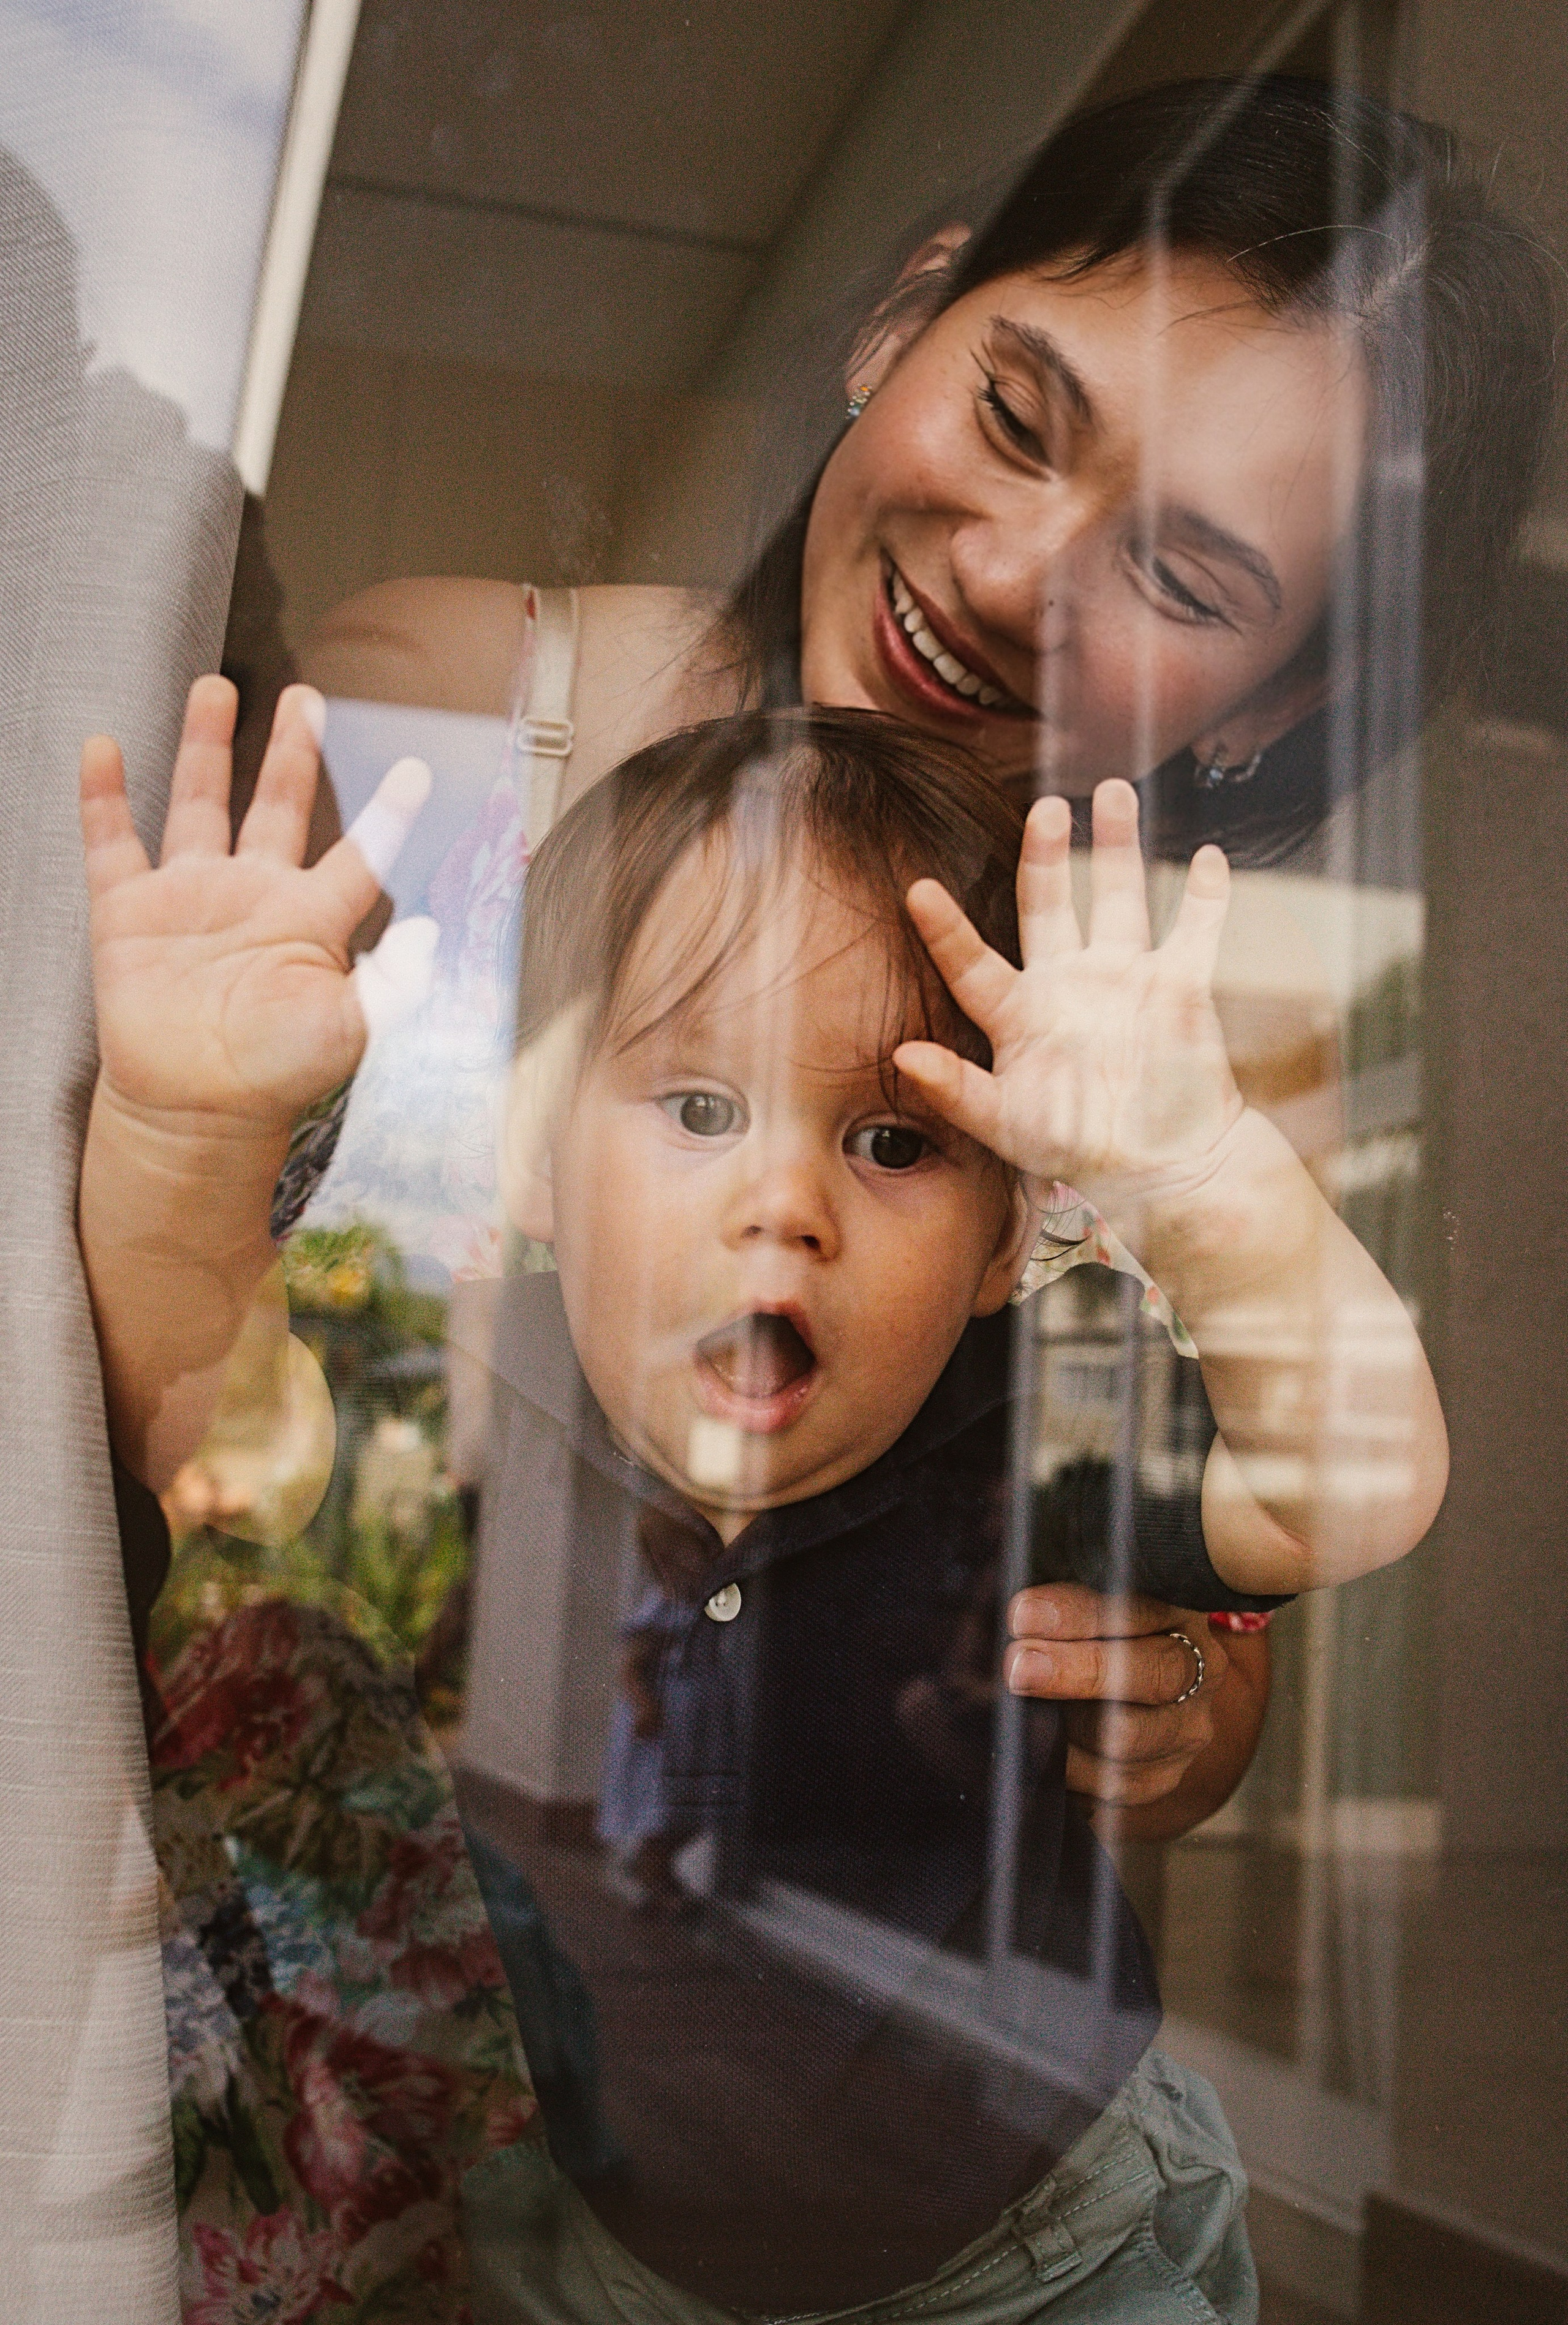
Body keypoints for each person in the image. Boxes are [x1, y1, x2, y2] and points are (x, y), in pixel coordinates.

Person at [77, 75, 1554, 1880]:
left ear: (1277, 702)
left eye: (1172, 569)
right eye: (1016, 415)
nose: (1014, 572)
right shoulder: (436, 716)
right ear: (904, 312)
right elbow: (153, 1392)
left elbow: (1254, 1495)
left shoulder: (1175, 1059)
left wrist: (1190, 1668)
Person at [454, 703, 1442, 2321]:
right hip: (626, 2262)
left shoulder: (1020, 1416)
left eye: (894, 1139)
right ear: (541, 1156)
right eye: (700, 1108)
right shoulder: (487, 1418)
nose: (786, 1204)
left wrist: (1200, 1174)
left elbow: (1366, 1481)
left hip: (1032, 2258)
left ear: (1003, 1243)